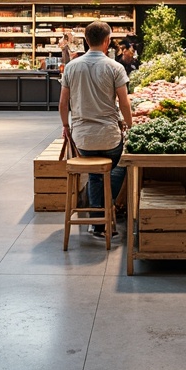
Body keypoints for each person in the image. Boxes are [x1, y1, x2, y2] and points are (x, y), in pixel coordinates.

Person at [59, 21, 134, 240]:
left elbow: (63, 104)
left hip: (82, 138)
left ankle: (96, 220)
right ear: (107, 41)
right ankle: (106, 210)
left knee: (95, 173)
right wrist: (130, 126)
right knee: (122, 164)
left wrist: (65, 126)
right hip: (109, 136)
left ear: (85, 40)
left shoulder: (72, 66)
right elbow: (124, 102)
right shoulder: (114, 67)